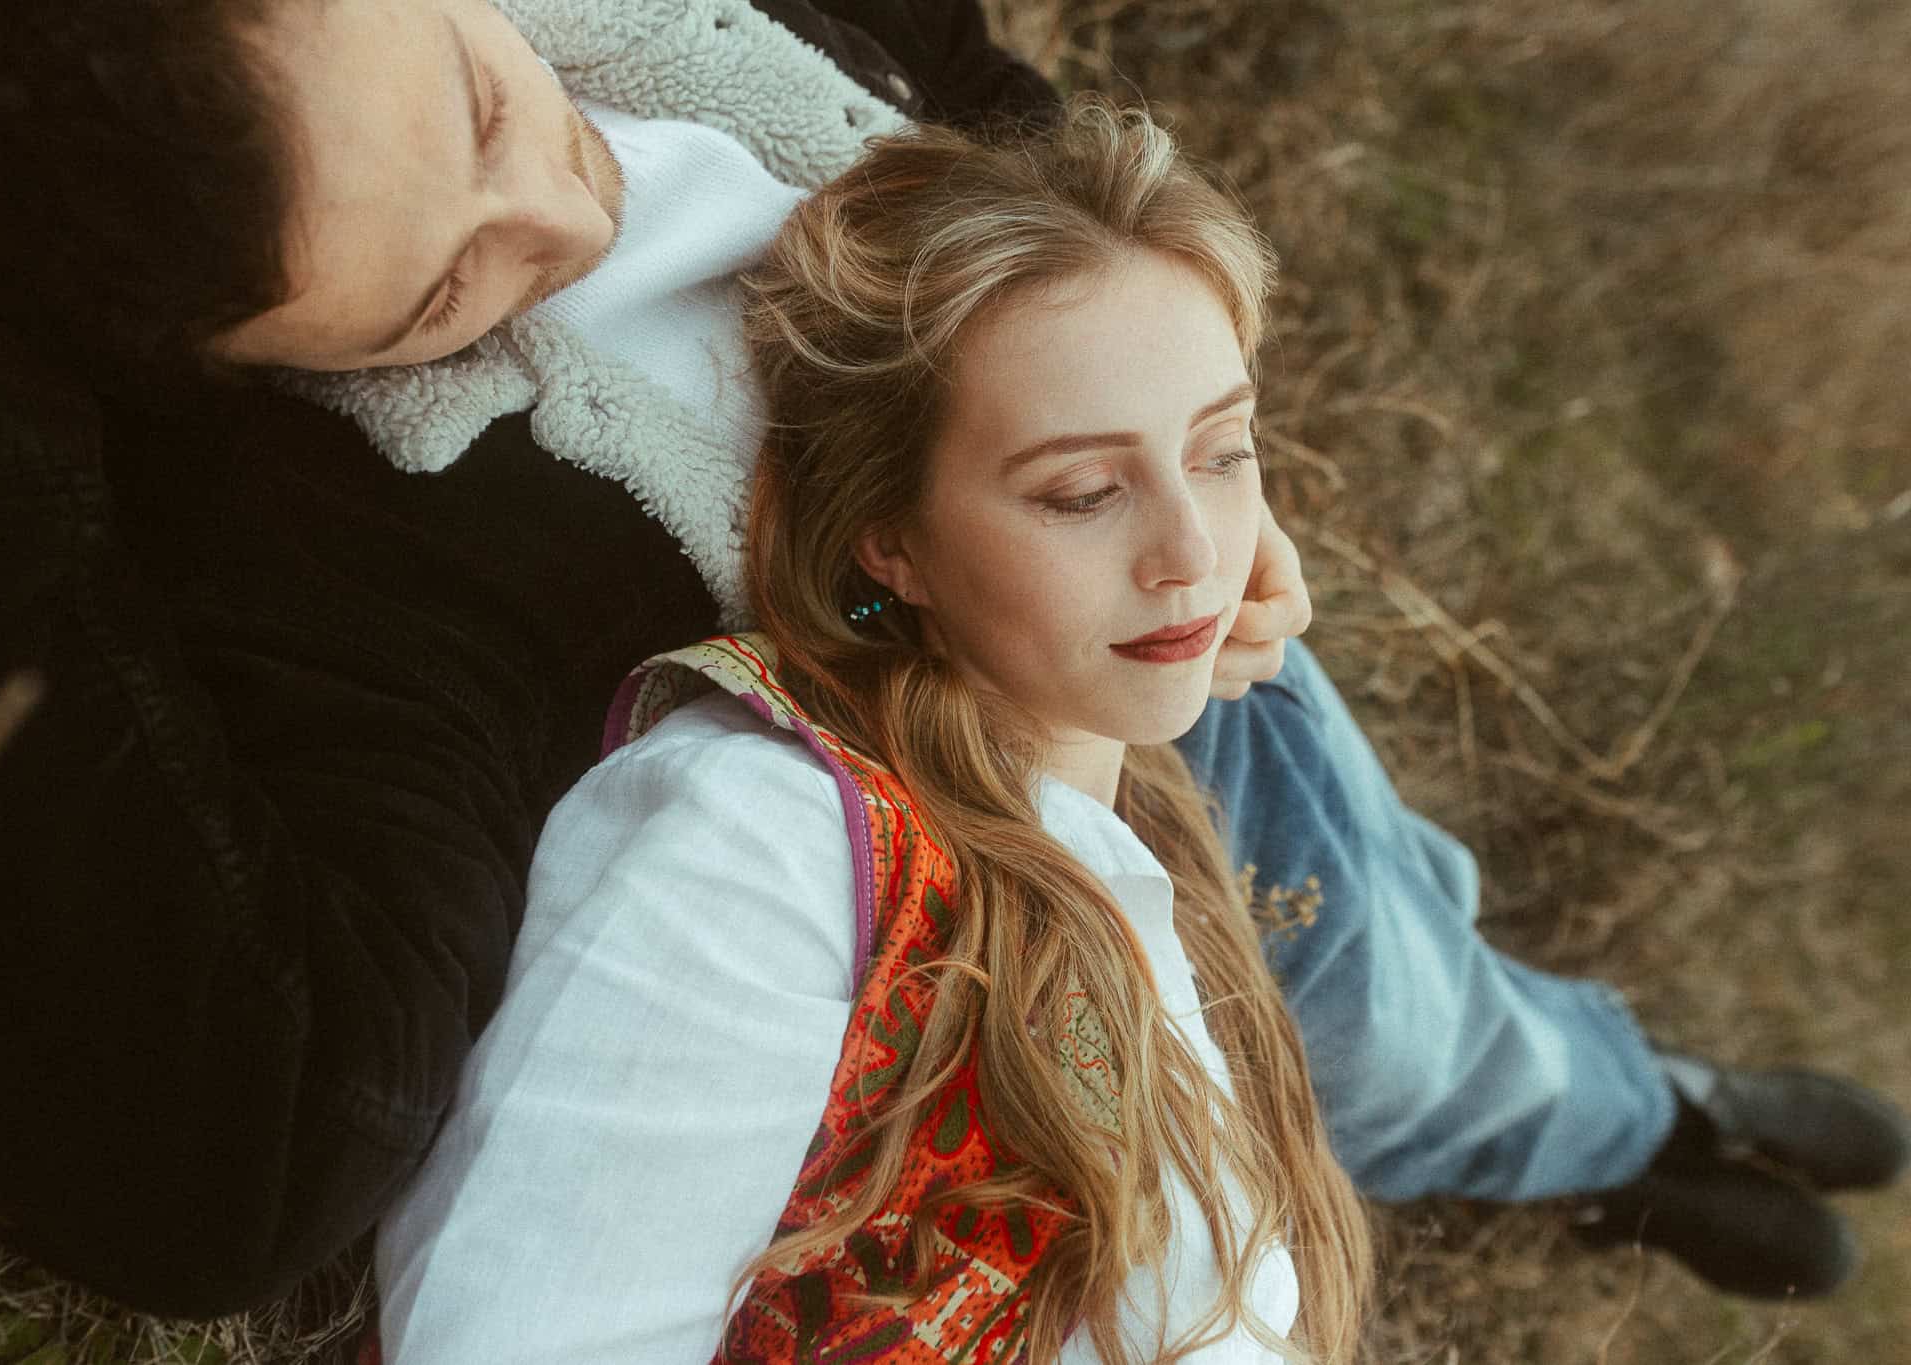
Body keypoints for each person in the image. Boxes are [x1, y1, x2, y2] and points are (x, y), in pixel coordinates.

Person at [0, 0, 1900, 1317]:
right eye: (435, 292)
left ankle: (1620, 1088)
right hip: (1063, 814)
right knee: (1364, 1025)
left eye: (485, 104)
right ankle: (1622, 1129)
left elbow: (959, 85)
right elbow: (230, 1175)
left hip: (1173, 570)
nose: (549, 221)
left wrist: (1172, 411)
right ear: (218, 371)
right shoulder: (365, 553)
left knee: (1404, 892)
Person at [379, 100, 1372, 1364]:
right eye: (1082, 491)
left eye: (1222, 453)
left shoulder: (1144, 860)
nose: (1191, 556)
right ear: (886, 537)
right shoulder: (762, 841)